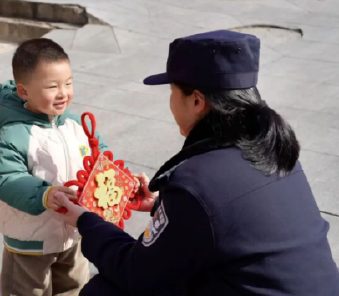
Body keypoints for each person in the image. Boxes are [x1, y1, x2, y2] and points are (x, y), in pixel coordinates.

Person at [55, 30, 339, 296]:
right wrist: (160, 206)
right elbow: (234, 221)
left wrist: (87, 222)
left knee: (106, 290)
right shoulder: (277, 151)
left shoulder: (196, 181)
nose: (171, 102)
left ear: (197, 101)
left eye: (173, 91)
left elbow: (138, 273)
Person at [0, 38, 111, 296]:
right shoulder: (13, 134)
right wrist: (44, 194)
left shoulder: (76, 124)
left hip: (73, 236)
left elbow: (102, 158)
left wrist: (119, 182)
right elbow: (4, 177)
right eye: (52, 86)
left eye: (68, 83)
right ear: (23, 91)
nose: (63, 93)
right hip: (29, 243)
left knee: (76, 289)